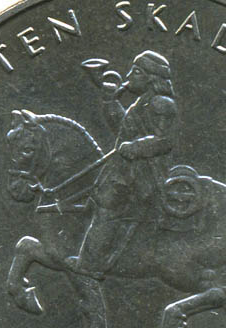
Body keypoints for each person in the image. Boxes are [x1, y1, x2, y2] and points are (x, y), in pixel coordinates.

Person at [66, 50, 177, 278]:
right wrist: (110, 101)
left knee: (109, 205)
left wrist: (135, 148)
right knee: (100, 200)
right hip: (126, 170)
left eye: (135, 72)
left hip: (146, 173)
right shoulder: (142, 104)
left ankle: (92, 264)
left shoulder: (162, 104)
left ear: (151, 78)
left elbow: (165, 141)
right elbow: (124, 129)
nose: (128, 76)